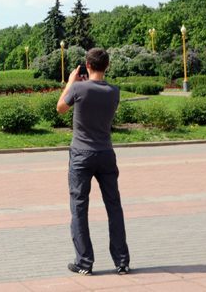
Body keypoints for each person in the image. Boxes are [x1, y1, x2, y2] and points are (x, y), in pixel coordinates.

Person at [57, 48, 130, 275]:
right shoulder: (114, 91)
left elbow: (60, 108)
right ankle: (121, 261)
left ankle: (84, 262)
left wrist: (70, 82)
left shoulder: (78, 87)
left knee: (79, 207)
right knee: (114, 206)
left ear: (87, 65)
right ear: (107, 66)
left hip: (81, 154)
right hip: (106, 153)